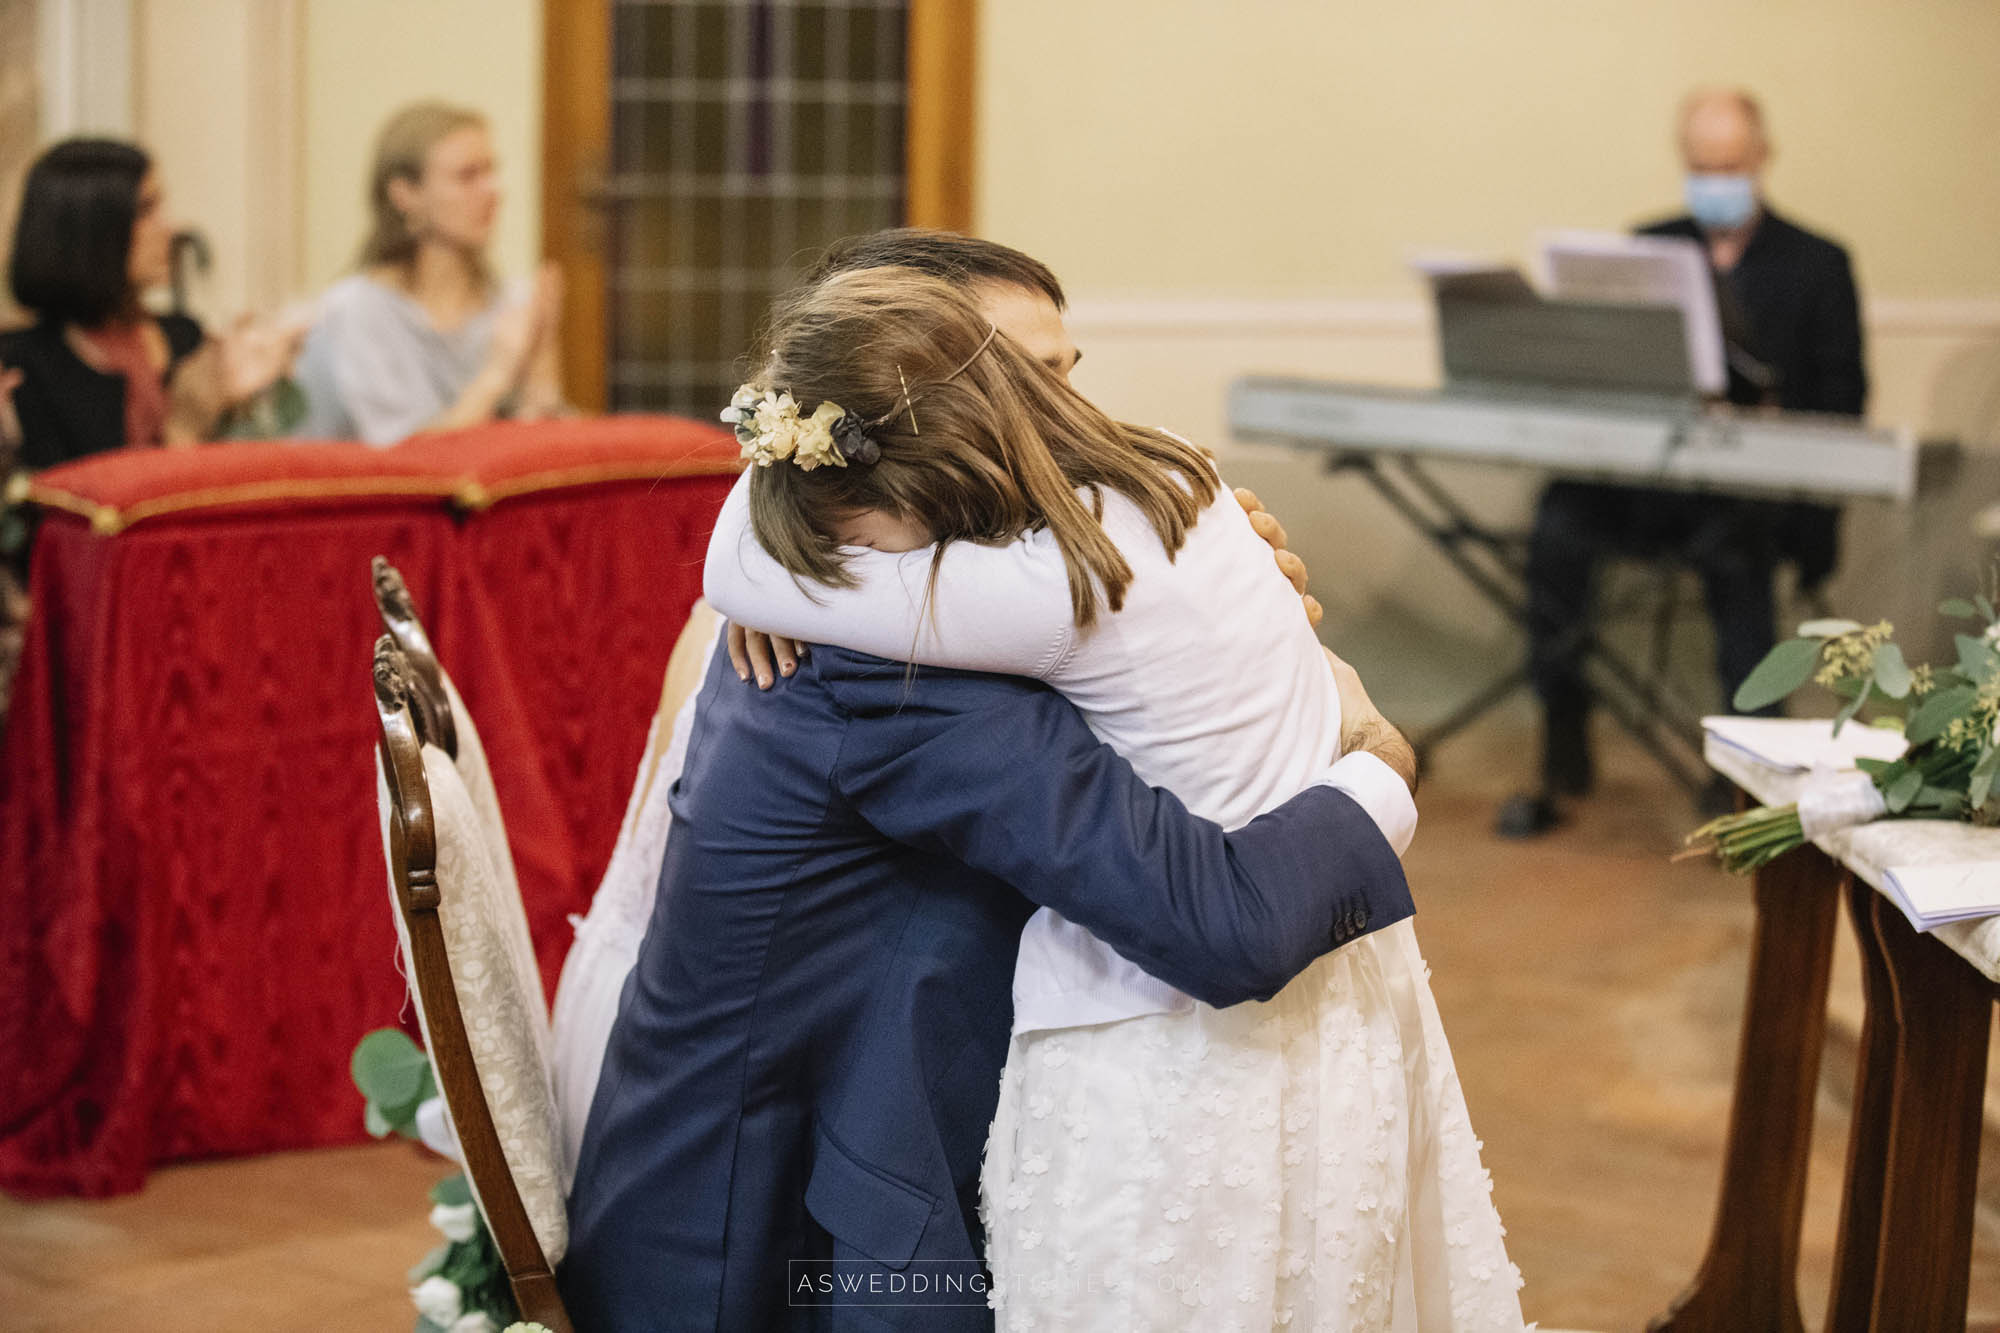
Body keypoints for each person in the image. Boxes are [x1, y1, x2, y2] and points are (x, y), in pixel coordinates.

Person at [696, 268, 1524, 1328]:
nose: (851, 563)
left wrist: (784, 534)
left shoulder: (1040, 591)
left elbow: (745, 568)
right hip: (1344, 993)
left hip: (1167, 1019)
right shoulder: (1180, 480)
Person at [1501, 87, 1867, 837]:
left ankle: (1750, 764)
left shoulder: (1818, 263)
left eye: (1731, 164)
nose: (1718, 180)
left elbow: (1845, 401)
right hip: (1651, 483)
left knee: (1739, 546)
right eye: (1703, 165)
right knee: (1559, 521)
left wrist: (1770, 413)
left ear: (1762, 159)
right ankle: (1563, 729)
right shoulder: (1649, 247)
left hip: (1755, 493)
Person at [0, 138, 301, 470]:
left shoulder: (184, 336)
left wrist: (256, 396)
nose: (169, 230)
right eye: (145, 211)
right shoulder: (25, 366)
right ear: (88, 229)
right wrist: (185, 425)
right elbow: (65, 511)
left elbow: (243, 483)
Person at [291, 102, 562, 446]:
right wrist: (498, 372)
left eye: (492, 171)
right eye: (467, 176)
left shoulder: (513, 303)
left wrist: (543, 356)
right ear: (405, 194)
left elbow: (538, 440)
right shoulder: (359, 310)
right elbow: (412, 460)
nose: (493, 190)